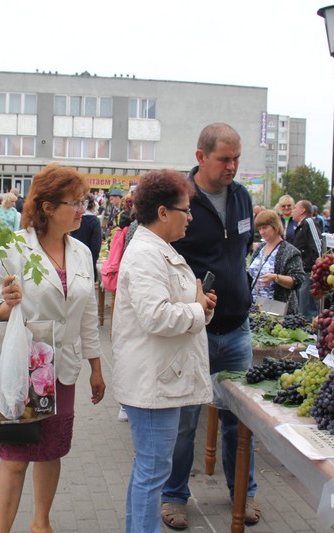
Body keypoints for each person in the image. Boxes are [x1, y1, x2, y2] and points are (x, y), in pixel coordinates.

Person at [0, 164, 105, 533]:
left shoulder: (81, 252)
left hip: (63, 368)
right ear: (48, 207)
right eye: (76, 202)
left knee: (51, 452)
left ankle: (41, 523)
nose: (83, 209)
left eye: (85, 201)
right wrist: (5, 305)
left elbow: (87, 316)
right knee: (16, 458)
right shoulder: (15, 248)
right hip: (25, 366)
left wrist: (96, 366)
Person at [162, 123, 260, 528]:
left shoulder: (241, 197)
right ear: (201, 157)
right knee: (185, 421)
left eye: (237, 158)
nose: (232, 166)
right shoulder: (178, 198)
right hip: (192, 330)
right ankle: (173, 497)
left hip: (236, 329)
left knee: (241, 422)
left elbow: (240, 253)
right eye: (224, 159)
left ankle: (244, 494)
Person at [112, 169, 216, 532]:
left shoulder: (157, 249)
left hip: (157, 378)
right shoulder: (145, 254)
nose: (190, 217)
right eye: (185, 210)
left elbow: (169, 304)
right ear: (162, 212)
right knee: (153, 470)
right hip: (153, 384)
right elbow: (156, 316)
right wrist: (197, 310)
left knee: (150, 469)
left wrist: (200, 304)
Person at [248, 210, 304, 315]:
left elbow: (298, 280)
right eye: (259, 229)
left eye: (265, 227)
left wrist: (275, 278)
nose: (262, 232)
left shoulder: (290, 251)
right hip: (255, 307)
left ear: (275, 226)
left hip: (277, 309)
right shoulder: (259, 248)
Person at [291, 200, 323, 319]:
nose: (293, 210)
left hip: (309, 271)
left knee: (307, 309)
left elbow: (317, 244)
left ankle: (310, 334)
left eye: (295, 207)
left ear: (302, 210)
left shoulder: (309, 222)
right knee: (302, 308)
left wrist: (318, 266)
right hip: (302, 271)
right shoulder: (301, 225)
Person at [70, 194, 101, 281]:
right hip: (87, 264)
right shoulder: (94, 221)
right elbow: (96, 246)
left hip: (72, 261)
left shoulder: (71, 218)